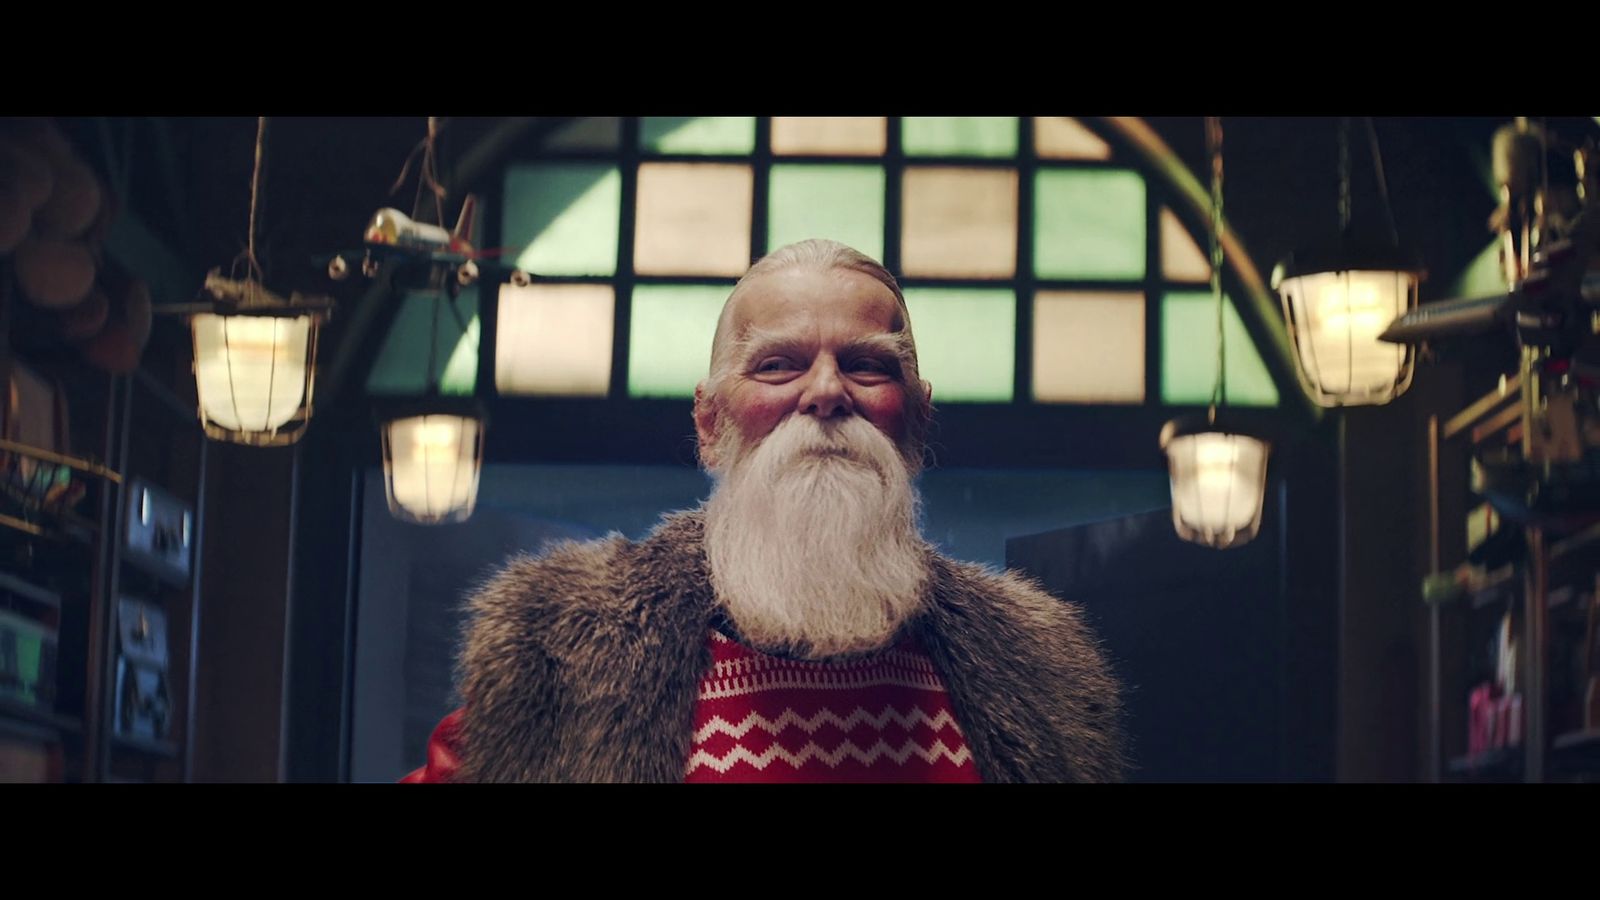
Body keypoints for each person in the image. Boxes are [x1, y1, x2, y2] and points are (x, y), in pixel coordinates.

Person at [403, 239, 1125, 783]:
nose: (825, 392)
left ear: (916, 420)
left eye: (868, 363)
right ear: (711, 424)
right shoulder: (562, 654)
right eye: (778, 364)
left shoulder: (1040, 678)